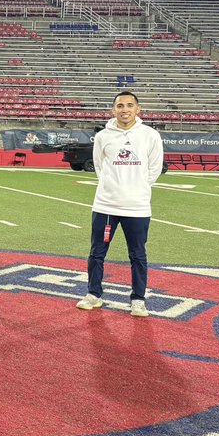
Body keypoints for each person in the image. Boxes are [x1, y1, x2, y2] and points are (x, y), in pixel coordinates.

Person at [77, 91, 164, 317]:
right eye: (120, 105)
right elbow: (99, 166)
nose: (124, 109)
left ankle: (138, 299)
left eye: (129, 105)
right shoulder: (104, 136)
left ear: (138, 109)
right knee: (97, 252)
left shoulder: (150, 135)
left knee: (137, 255)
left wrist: (138, 187)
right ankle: (94, 294)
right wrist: (111, 186)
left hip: (137, 207)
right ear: (113, 110)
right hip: (106, 206)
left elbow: (155, 168)